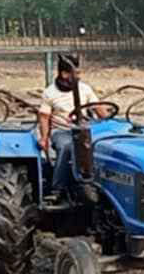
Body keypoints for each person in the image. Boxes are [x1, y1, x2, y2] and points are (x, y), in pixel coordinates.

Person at [37, 53, 99, 202]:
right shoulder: (50, 92)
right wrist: (44, 138)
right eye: (76, 73)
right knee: (67, 146)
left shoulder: (85, 89)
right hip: (62, 130)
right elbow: (44, 117)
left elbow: (99, 109)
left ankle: (96, 183)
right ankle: (57, 188)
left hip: (84, 128)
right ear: (64, 74)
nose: (79, 76)